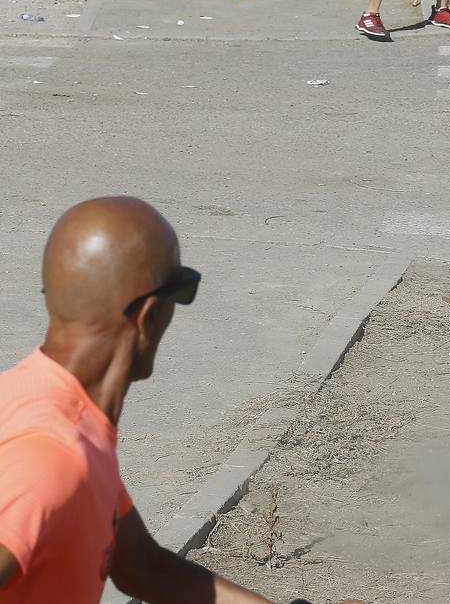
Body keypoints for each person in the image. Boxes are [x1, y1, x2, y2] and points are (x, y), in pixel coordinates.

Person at [0, 197, 274, 602]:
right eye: (181, 292)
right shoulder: (53, 457)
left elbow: (144, 567)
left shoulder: (46, 406)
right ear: (147, 317)